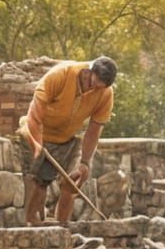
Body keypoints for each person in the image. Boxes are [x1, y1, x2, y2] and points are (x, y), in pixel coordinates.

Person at [18, 58, 118, 227]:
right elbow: (34, 116)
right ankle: (32, 223)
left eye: (100, 87)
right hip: (41, 133)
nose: (94, 89)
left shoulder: (105, 94)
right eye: (93, 83)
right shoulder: (60, 76)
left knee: (73, 182)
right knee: (41, 179)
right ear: (88, 71)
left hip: (70, 138)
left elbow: (94, 130)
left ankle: (62, 227)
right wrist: (37, 147)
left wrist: (85, 162)